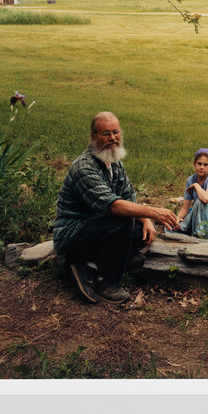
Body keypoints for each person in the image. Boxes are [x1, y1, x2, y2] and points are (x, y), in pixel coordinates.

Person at [53, 112, 181, 304]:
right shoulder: (84, 168)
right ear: (93, 136)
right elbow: (113, 206)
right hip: (73, 235)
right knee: (123, 221)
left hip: (97, 228)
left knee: (141, 232)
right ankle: (106, 281)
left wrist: (147, 221)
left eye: (116, 132)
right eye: (106, 134)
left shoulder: (114, 162)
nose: (113, 138)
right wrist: (154, 213)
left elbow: (129, 196)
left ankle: (90, 265)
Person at [172, 148, 208, 237]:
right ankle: (195, 231)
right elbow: (185, 207)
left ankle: (202, 235)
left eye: (205, 165)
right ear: (194, 164)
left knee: (200, 201)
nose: (202, 167)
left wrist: (196, 185)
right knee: (172, 227)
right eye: (199, 164)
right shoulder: (191, 179)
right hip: (199, 213)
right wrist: (178, 218)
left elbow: (206, 198)